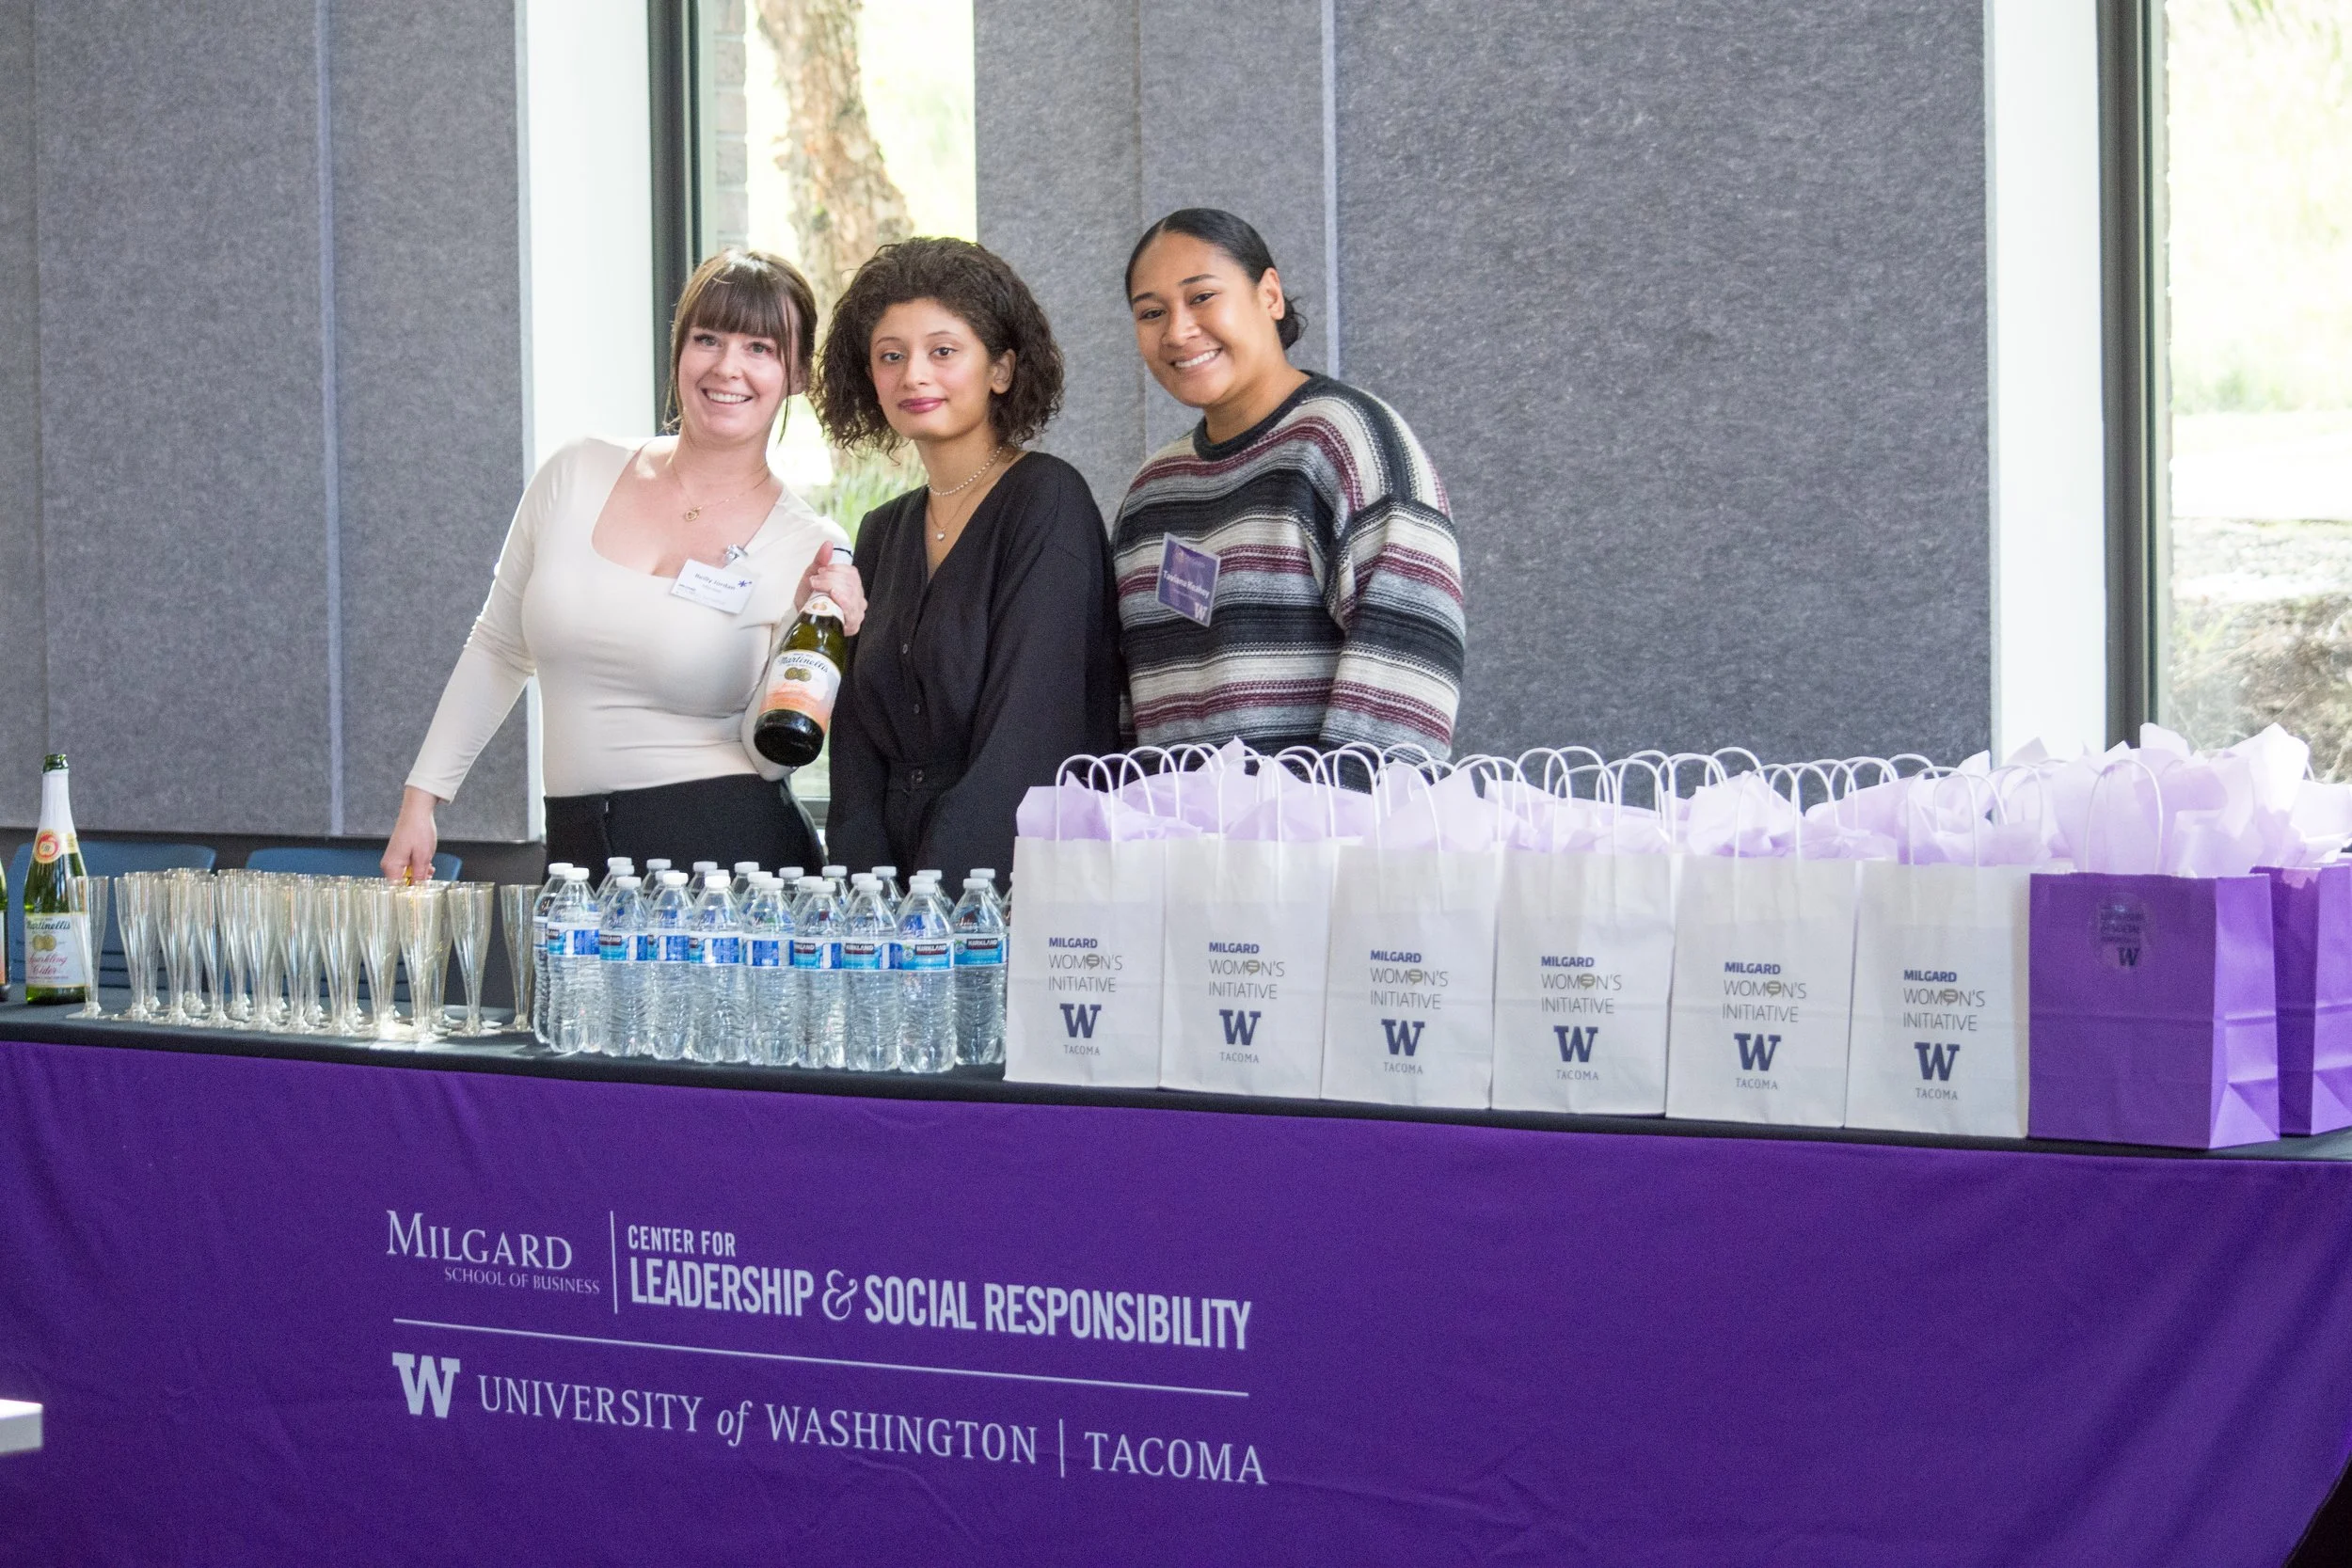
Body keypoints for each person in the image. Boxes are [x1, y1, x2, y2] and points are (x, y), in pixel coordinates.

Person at [384, 249, 866, 880]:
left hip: (730, 857)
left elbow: (769, 757)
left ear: (797, 373)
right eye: (708, 338)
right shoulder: (576, 471)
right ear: (679, 350)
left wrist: (815, 625)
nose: (727, 367)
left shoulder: (810, 544)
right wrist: (422, 797)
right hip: (576, 851)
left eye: (760, 348)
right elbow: (500, 645)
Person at [811, 237, 1121, 885]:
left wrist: (934, 904)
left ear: (1001, 369)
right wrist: (863, 892)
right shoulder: (880, 532)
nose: (913, 375)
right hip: (883, 898)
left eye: (943, 351)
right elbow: (857, 744)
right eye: (890, 356)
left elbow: (1033, 733)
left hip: (1000, 886)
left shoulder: (1046, 499)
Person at [1114, 208, 1465, 759]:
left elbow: (1405, 681)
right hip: (1175, 839)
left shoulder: (1349, 443)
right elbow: (1133, 706)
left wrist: (1315, 838)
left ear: (1269, 295)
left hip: (1323, 839)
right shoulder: (1152, 492)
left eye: (1202, 297)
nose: (1178, 331)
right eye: (1152, 312)